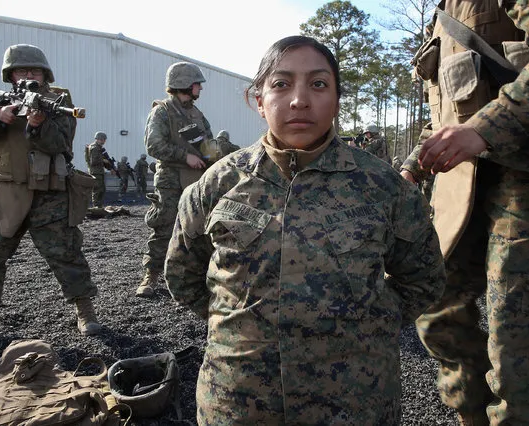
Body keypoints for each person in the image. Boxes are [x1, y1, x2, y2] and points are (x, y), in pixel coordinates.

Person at [164, 35, 446, 425]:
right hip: (239, 400)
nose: (300, 100)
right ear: (258, 100)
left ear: (336, 100)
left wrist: (368, 324)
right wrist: (240, 326)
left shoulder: (383, 187)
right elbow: (182, 275)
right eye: (281, 84)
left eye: (318, 84)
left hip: (355, 401)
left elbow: (424, 278)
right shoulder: (218, 185)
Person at [402, 2, 529, 425]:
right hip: (461, 194)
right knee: (437, 316)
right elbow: (450, 115)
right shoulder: (443, 13)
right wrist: (409, 170)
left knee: (515, 359)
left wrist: (484, 130)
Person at [0, 44, 101, 339]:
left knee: (67, 254)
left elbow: (59, 144)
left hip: (50, 192)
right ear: (10, 74)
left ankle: (85, 311)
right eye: (21, 70)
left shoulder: (59, 101)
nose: (29, 75)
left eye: (35, 70)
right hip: (4, 190)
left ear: (45, 73)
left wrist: (38, 124)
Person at [136, 61, 212, 297]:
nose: (200, 88)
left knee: (199, 228)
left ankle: (197, 277)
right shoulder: (162, 111)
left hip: (196, 179)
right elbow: (153, 145)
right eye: (197, 83)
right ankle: (151, 276)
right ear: (184, 84)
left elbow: (207, 145)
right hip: (170, 177)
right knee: (165, 225)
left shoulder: (196, 114)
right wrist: (185, 156)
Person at [85, 131, 111, 208]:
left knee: (102, 189)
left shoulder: (98, 148)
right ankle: (96, 206)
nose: (104, 142)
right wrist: (103, 160)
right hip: (96, 172)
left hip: (99, 171)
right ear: (98, 139)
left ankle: (99, 206)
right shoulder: (95, 148)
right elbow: (94, 161)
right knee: (97, 190)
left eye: (104, 140)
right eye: (103, 140)